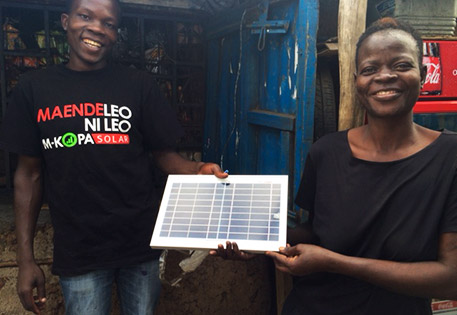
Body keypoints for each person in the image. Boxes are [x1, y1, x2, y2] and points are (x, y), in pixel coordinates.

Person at [212, 18, 457, 314]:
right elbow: (317, 231)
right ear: (356, 81)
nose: (384, 76)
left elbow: (449, 278)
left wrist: (332, 262)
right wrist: (256, 240)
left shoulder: (450, 157)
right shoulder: (326, 152)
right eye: (369, 69)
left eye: (401, 65)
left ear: (424, 71)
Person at [0, 0, 227, 314]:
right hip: (80, 250)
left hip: (141, 244)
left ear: (115, 34)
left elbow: (163, 154)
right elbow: (28, 175)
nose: (97, 28)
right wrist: (26, 259)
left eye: (108, 23)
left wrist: (197, 169)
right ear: (65, 21)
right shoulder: (33, 89)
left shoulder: (138, 85)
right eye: (85, 16)